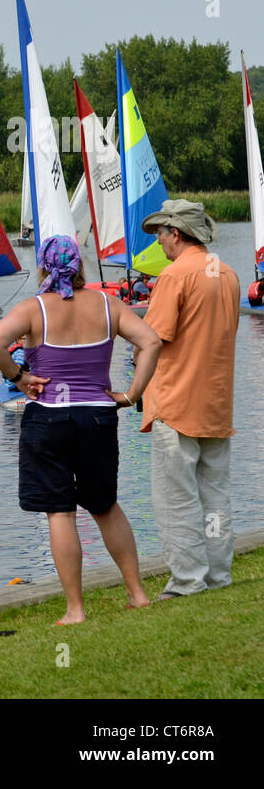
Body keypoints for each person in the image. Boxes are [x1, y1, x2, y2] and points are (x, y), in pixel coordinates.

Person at [0, 235, 160, 624]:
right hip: (98, 416)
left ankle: (76, 610)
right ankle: (138, 594)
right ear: (80, 266)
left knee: (60, 512)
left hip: (48, 417)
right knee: (106, 505)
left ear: (45, 267)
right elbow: (150, 341)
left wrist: (19, 376)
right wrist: (131, 395)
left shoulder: (34, 309)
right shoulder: (109, 304)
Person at [138, 200, 240, 600]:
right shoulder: (227, 274)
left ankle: (186, 581)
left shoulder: (175, 275)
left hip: (176, 401)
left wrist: (132, 376)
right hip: (216, 402)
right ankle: (217, 575)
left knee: (175, 497)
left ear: (175, 234)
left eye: (160, 233)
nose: (159, 241)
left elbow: (152, 339)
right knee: (215, 495)